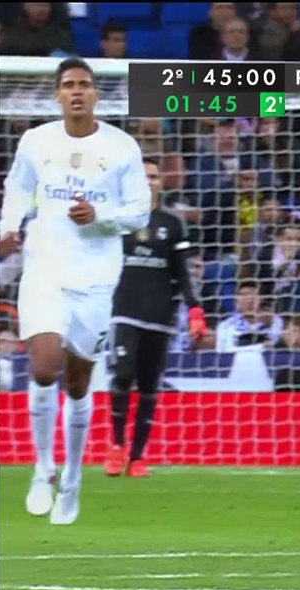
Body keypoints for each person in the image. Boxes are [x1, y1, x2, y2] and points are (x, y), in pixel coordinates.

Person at [0, 58, 150, 525]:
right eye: (69, 85)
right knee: (44, 368)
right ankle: (42, 468)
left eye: (84, 84)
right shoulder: (36, 141)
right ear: (58, 95)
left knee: (79, 383)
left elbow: (140, 212)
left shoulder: (121, 147)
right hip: (45, 268)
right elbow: (18, 187)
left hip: (96, 277)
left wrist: (101, 218)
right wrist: (7, 226)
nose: (77, 91)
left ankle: (73, 478)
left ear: (96, 95)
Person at [105, 159, 208, 478]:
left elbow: (182, 271)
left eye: (153, 176)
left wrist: (194, 309)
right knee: (122, 375)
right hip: (124, 311)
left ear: (161, 182)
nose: (148, 181)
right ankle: (117, 445)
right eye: (142, 176)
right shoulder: (117, 220)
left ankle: (137, 458)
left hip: (160, 315)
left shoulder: (173, 223)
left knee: (149, 385)